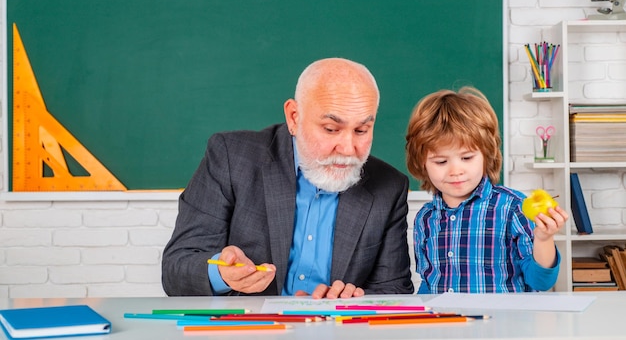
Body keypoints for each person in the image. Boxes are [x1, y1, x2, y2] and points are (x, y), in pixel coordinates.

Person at [162, 57, 414, 298]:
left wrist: (356, 300)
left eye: (361, 130)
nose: (348, 148)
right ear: (294, 117)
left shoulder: (389, 188)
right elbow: (176, 268)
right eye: (330, 129)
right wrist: (221, 273)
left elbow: (393, 292)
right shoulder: (231, 157)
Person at [405, 86, 569, 294]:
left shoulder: (512, 208)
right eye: (441, 161)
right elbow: (428, 284)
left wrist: (544, 239)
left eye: (467, 158)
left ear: (486, 154)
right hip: (445, 325)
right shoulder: (425, 218)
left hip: (504, 325)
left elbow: (541, 282)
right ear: (422, 164)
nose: (456, 171)